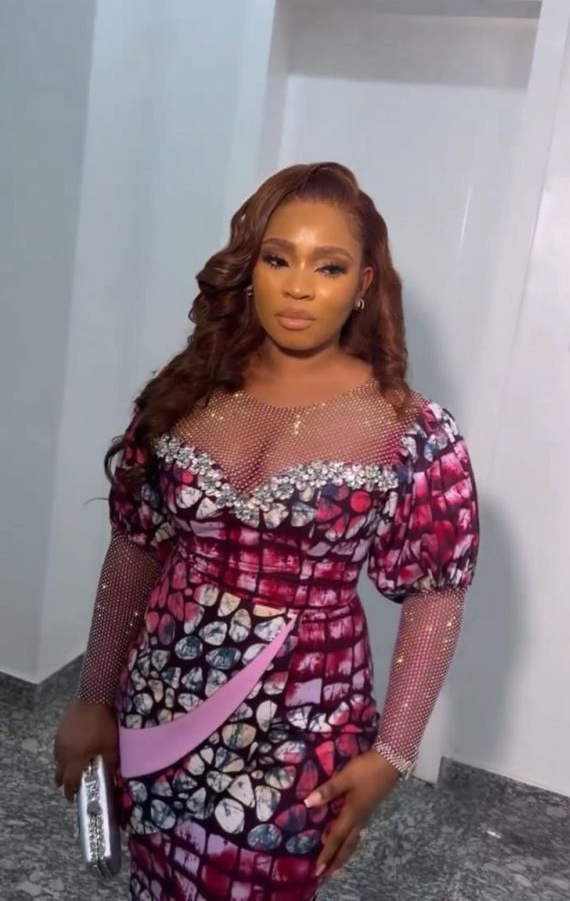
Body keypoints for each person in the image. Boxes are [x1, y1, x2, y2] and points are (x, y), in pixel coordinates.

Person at [54, 161, 479, 901]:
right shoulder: (187, 392)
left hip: (301, 730)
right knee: (154, 882)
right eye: (279, 258)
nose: (299, 286)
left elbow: (435, 595)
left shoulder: (410, 430)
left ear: (364, 285)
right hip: (156, 701)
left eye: (329, 266)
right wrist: (93, 697)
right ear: (251, 270)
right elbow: (134, 546)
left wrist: (394, 752)